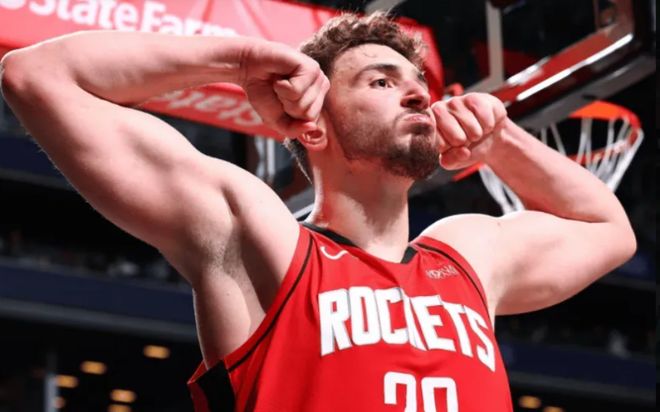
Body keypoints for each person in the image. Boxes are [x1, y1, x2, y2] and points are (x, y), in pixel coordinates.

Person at [0, 11, 636, 412]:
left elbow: (609, 231)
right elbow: (37, 75)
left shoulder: (467, 255)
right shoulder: (263, 241)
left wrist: (501, 142)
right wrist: (238, 61)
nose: (418, 94)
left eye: (418, 85)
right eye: (381, 82)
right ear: (313, 127)